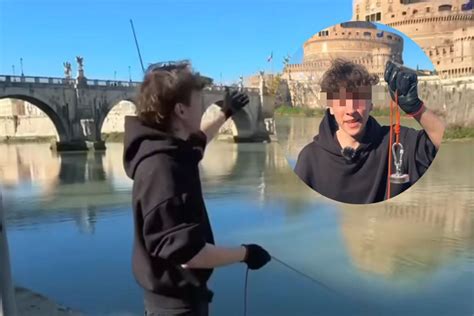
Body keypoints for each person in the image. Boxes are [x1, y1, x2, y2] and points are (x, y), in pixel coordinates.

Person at [123, 61, 271, 316]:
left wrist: (226, 112)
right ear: (181, 110)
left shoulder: (169, 149)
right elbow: (190, 254)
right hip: (175, 308)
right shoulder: (163, 169)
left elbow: (198, 141)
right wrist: (245, 254)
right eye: (199, 101)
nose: (204, 107)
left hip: (176, 298)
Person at [294, 59, 445, 204]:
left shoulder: (397, 143)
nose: (351, 110)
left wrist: (416, 108)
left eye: (358, 100)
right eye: (341, 102)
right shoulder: (310, 158)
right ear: (330, 107)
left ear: (371, 104)